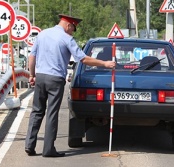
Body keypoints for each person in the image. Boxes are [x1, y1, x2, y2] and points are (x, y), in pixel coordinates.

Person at [25, 14, 115, 157]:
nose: (72, 32)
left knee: (36, 111)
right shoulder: (67, 39)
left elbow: (32, 56)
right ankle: (48, 150)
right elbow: (83, 59)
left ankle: (29, 145)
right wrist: (105, 63)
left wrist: (32, 75)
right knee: (52, 113)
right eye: (73, 29)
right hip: (55, 79)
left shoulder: (42, 34)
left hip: (40, 77)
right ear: (68, 25)